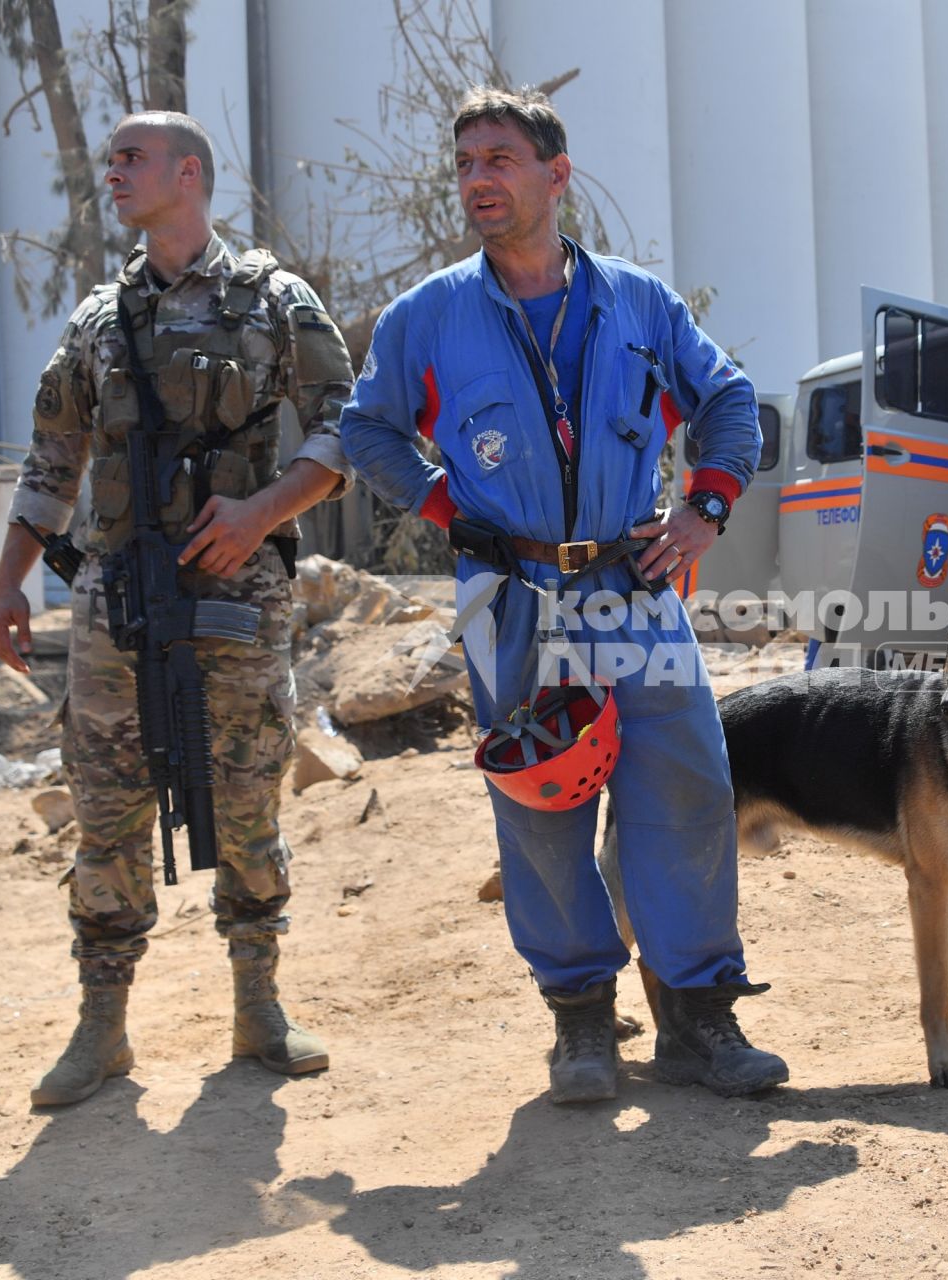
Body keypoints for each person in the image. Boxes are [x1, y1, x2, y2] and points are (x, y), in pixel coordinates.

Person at [340, 86, 786, 1103]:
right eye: (464, 164)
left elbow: (726, 399)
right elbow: (367, 427)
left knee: (684, 795)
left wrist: (706, 508)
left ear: (556, 174)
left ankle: (698, 1017)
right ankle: (582, 1022)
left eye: (499, 158)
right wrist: (442, 503)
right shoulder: (430, 316)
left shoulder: (638, 303)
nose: (477, 180)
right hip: (511, 599)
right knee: (542, 804)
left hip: (637, 589)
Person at [0, 111, 357, 1105]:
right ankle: (102, 1025)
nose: (111, 173)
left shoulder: (274, 300)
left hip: (237, 588)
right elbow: (53, 457)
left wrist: (262, 511)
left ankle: (258, 1006)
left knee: (244, 791)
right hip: (117, 596)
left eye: (130, 159)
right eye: (109, 158)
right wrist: (9, 576)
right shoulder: (98, 320)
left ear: (187, 174)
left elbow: (345, 428)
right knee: (107, 802)